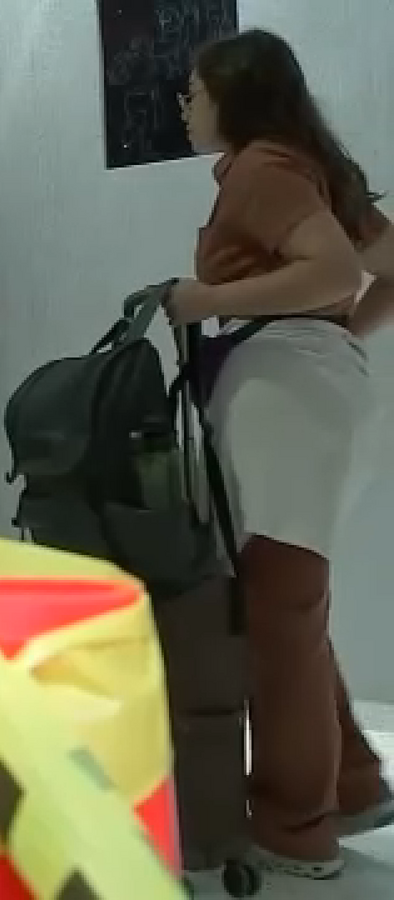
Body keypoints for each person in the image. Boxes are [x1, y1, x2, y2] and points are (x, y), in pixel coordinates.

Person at [168, 29, 393, 879]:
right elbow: (379, 267)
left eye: (194, 91)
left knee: (280, 613)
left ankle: (299, 829)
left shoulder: (263, 166)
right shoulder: (306, 164)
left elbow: (334, 272)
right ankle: (352, 781)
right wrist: (334, 332)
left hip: (282, 392)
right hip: (311, 387)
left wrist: (206, 301)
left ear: (235, 91)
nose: (186, 106)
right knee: (289, 599)